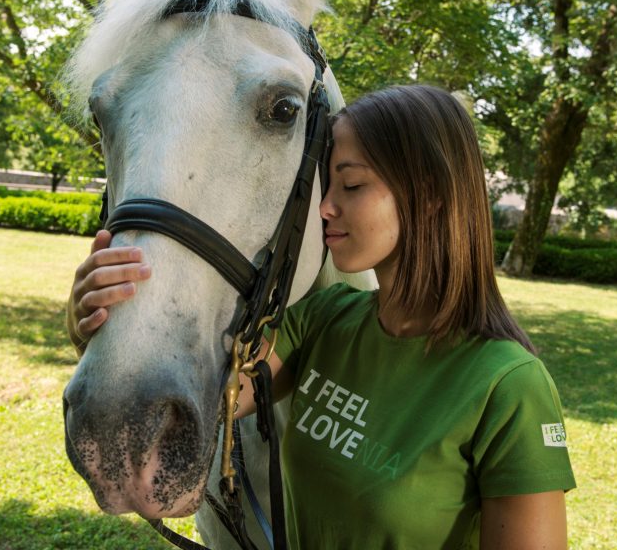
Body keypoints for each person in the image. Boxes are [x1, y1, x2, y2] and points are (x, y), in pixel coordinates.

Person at [67, 85, 576, 548]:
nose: (325, 208)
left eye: (351, 186)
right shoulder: (325, 320)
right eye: (325, 187)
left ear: (432, 197)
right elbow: (208, 394)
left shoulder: (509, 388)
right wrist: (101, 322)